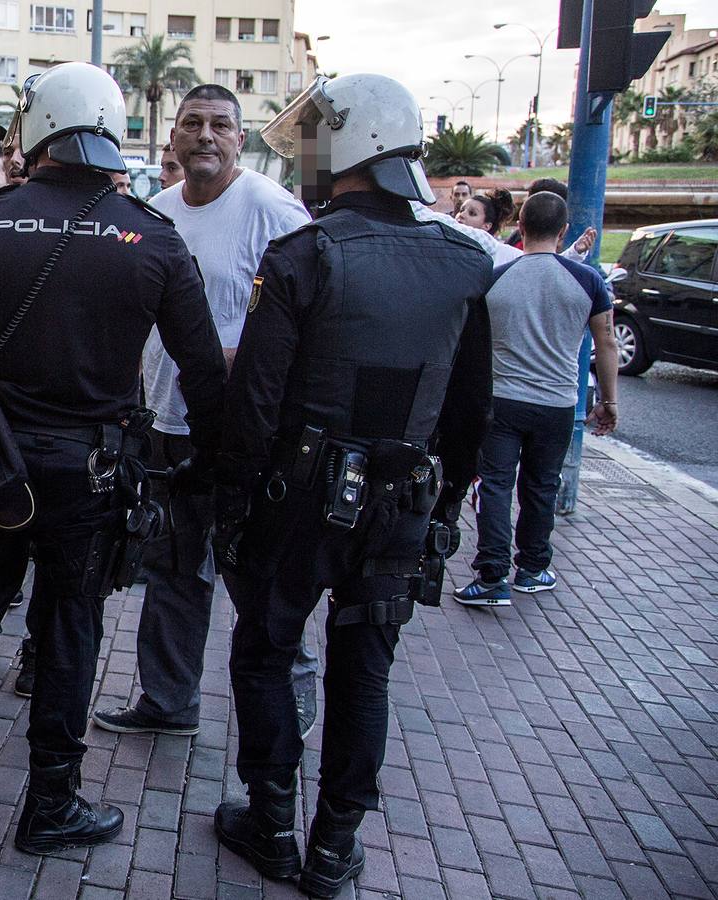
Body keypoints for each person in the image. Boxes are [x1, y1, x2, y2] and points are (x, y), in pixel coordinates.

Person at [0, 62, 227, 855]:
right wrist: (205, 465)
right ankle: (52, 801)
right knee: (72, 626)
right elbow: (206, 372)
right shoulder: (150, 234)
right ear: (113, 127)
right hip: (92, 472)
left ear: (37, 130)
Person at [210, 74, 494, 898]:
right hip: (401, 503)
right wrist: (441, 511)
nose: (309, 157)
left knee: (264, 652)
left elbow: (256, 402)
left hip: (298, 503)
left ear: (352, 143)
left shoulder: (305, 254)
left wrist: (233, 511)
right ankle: (334, 848)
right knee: (365, 671)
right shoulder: (465, 260)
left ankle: (270, 824)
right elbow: (471, 410)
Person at [92, 84, 320, 741]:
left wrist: (223, 354)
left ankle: (291, 706)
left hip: (245, 435)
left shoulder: (274, 211)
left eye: (220, 124)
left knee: (258, 578)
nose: (205, 135)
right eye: (192, 123)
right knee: (171, 572)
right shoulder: (153, 214)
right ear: (171, 138)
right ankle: (168, 702)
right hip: (165, 425)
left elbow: (309, 326)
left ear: (239, 138)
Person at [456, 192, 619, 606]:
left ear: (521, 227)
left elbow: (470, 345)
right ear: (563, 231)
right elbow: (607, 343)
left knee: (494, 484)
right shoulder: (588, 282)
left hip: (504, 399)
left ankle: (491, 577)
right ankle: (532, 567)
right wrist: (608, 402)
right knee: (542, 486)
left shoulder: (496, 277)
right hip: (558, 403)